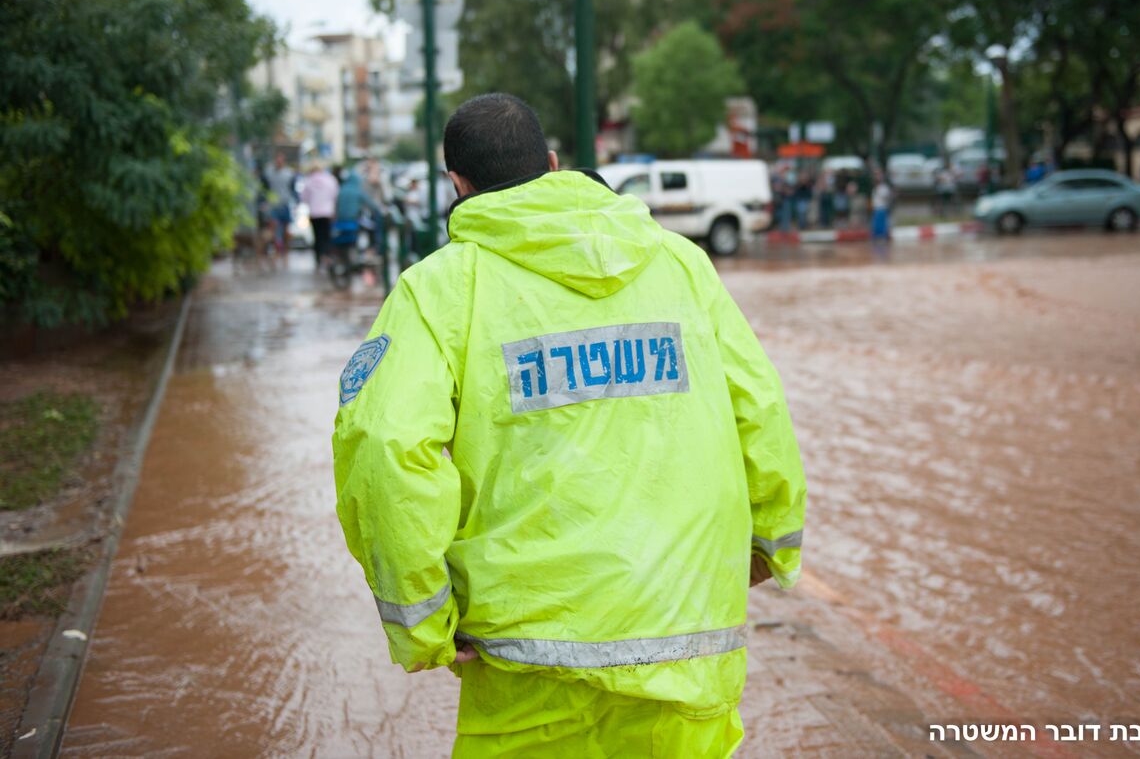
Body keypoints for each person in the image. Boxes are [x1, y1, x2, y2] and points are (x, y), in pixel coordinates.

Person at [332, 93, 806, 756]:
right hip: (688, 637)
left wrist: (425, 623)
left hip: (528, 657)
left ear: (457, 185)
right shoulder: (680, 264)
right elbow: (758, 407)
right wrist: (770, 545)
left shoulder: (438, 291)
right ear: (552, 165)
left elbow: (385, 450)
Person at [301, 161, 339, 269]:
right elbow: (335, 195)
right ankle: (327, 256)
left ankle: (318, 258)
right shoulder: (330, 179)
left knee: (317, 237)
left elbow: (304, 197)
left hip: (314, 212)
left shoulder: (308, 181)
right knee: (326, 235)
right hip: (327, 212)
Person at [264, 151, 295, 260]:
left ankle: (285, 252)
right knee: (273, 230)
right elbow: (265, 188)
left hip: (285, 204)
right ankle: (276, 251)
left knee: (286, 230)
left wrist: (294, 203)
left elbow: (293, 189)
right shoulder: (269, 173)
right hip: (273, 205)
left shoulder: (289, 173)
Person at [871, 167, 893, 240]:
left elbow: (888, 197)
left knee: (883, 228)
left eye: (878, 174)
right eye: (875, 175)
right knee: (876, 229)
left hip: (882, 209)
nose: (877, 176)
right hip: (876, 209)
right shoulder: (875, 187)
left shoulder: (884, 187)